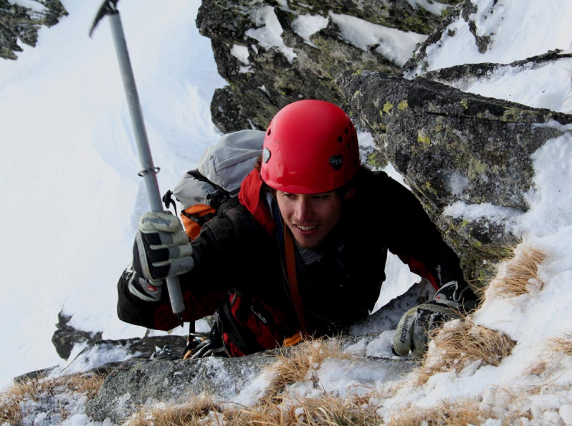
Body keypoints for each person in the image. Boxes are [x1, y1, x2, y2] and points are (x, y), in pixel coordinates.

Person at [117, 100, 476, 358]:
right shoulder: (242, 229)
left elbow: (436, 255)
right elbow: (153, 310)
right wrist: (148, 279)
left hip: (331, 347)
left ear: (347, 191)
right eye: (289, 195)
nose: (302, 214)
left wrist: (449, 297)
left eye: (319, 197)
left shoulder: (375, 200)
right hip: (250, 361)